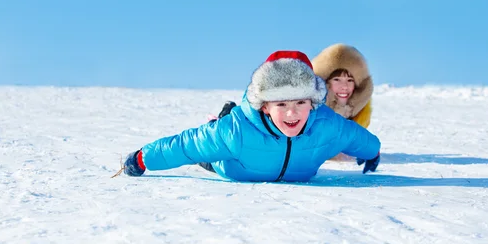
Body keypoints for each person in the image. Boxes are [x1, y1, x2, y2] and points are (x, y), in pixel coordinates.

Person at [120, 50, 381, 182]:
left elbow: (355, 136)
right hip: (231, 165)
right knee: (206, 147)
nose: (292, 113)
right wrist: (144, 158)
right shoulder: (235, 132)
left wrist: (373, 152)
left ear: (312, 102)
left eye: (301, 102)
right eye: (281, 104)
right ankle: (222, 115)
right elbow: (187, 145)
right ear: (265, 106)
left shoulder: (326, 125)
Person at [311, 43, 373, 129]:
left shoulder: (360, 132)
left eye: (350, 80)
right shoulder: (307, 124)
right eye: (337, 80)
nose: (344, 86)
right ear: (324, 83)